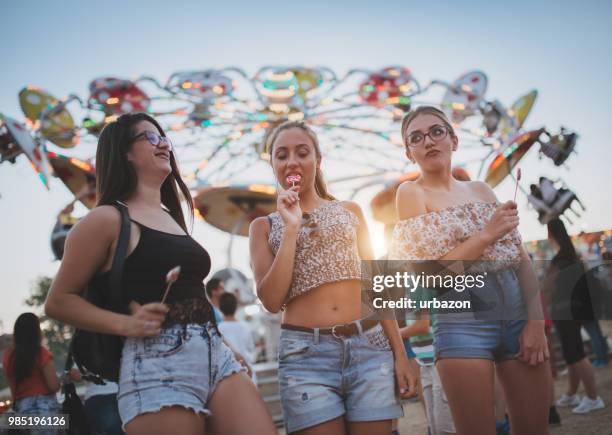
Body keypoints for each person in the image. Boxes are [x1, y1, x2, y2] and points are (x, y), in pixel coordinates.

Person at [45, 113, 276, 435]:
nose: (163, 143)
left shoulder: (171, 217)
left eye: (164, 137)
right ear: (124, 152)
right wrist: (126, 324)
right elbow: (58, 302)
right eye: (150, 138)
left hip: (216, 353)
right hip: (156, 360)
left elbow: (189, 294)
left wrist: (223, 343)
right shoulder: (106, 219)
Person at [389, 106, 551, 435]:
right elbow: (432, 276)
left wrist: (536, 323)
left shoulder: (481, 190)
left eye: (437, 131)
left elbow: (520, 259)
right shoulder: (410, 193)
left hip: (516, 311)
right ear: (409, 153)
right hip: (461, 322)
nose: (428, 141)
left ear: (454, 139)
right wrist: (487, 234)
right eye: (416, 138)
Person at [249, 120, 416, 434]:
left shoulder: (350, 211)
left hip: (370, 348)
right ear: (273, 165)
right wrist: (290, 228)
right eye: (281, 155)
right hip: (305, 357)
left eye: (302, 152)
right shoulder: (264, 226)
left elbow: (377, 288)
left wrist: (400, 356)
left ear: (318, 160)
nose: (292, 161)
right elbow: (271, 301)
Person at [545, 218, 605, 414]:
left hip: (565, 311)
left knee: (576, 354)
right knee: (572, 353)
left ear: (551, 234)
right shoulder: (574, 255)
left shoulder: (559, 260)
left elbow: (548, 288)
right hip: (575, 310)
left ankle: (593, 397)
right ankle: (571, 393)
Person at [3, 312, 60, 435]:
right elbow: (53, 386)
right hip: (44, 413)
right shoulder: (41, 353)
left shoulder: (9, 358)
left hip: (21, 411)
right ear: (36, 332)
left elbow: (14, 393)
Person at [218, 292, 257, 383]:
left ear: (220, 308)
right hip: (247, 371)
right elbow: (251, 348)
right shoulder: (245, 326)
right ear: (236, 307)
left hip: (227, 375)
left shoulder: (218, 329)